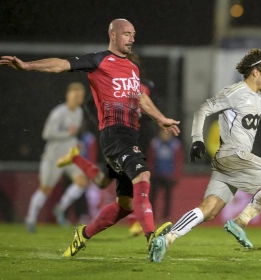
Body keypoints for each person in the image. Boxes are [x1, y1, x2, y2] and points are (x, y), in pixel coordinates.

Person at [0, 18, 180, 257]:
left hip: (130, 136)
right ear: (113, 35)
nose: (132, 38)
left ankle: (82, 235)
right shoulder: (98, 60)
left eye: (134, 34)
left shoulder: (133, 68)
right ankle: (152, 238)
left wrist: (160, 118)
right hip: (114, 135)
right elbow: (60, 65)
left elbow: (140, 98)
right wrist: (27, 66)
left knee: (125, 205)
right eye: (127, 34)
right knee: (143, 174)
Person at [148, 48, 261, 262]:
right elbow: (202, 110)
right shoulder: (234, 92)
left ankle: (166, 239)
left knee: (209, 210)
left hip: (226, 162)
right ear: (255, 72)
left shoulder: (259, 97)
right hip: (235, 155)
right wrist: (197, 139)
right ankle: (241, 222)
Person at [56, 51, 157, 236]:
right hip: (117, 140)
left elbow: (149, 109)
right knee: (136, 177)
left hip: (134, 138)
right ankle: (140, 226)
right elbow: (89, 103)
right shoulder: (112, 83)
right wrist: (102, 124)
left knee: (104, 182)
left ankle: (76, 159)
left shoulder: (147, 85)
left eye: (133, 63)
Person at [24, 82, 88, 232]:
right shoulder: (58, 113)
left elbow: (71, 134)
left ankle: (60, 208)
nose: (78, 98)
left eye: (80, 96)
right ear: (68, 96)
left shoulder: (79, 112)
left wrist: (76, 142)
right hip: (54, 157)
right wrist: (68, 134)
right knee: (45, 189)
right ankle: (31, 219)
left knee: (82, 181)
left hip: (70, 156)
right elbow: (46, 134)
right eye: (75, 95)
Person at [147, 128, 183, 222]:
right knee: (153, 197)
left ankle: (165, 217)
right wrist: (149, 173)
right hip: (156, 174)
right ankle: (151, 216)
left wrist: (176, 175)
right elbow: (150, 159)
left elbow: (178, 161)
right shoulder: (155, 143)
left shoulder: (175, 144)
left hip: (169, 175)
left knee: (167, 198)